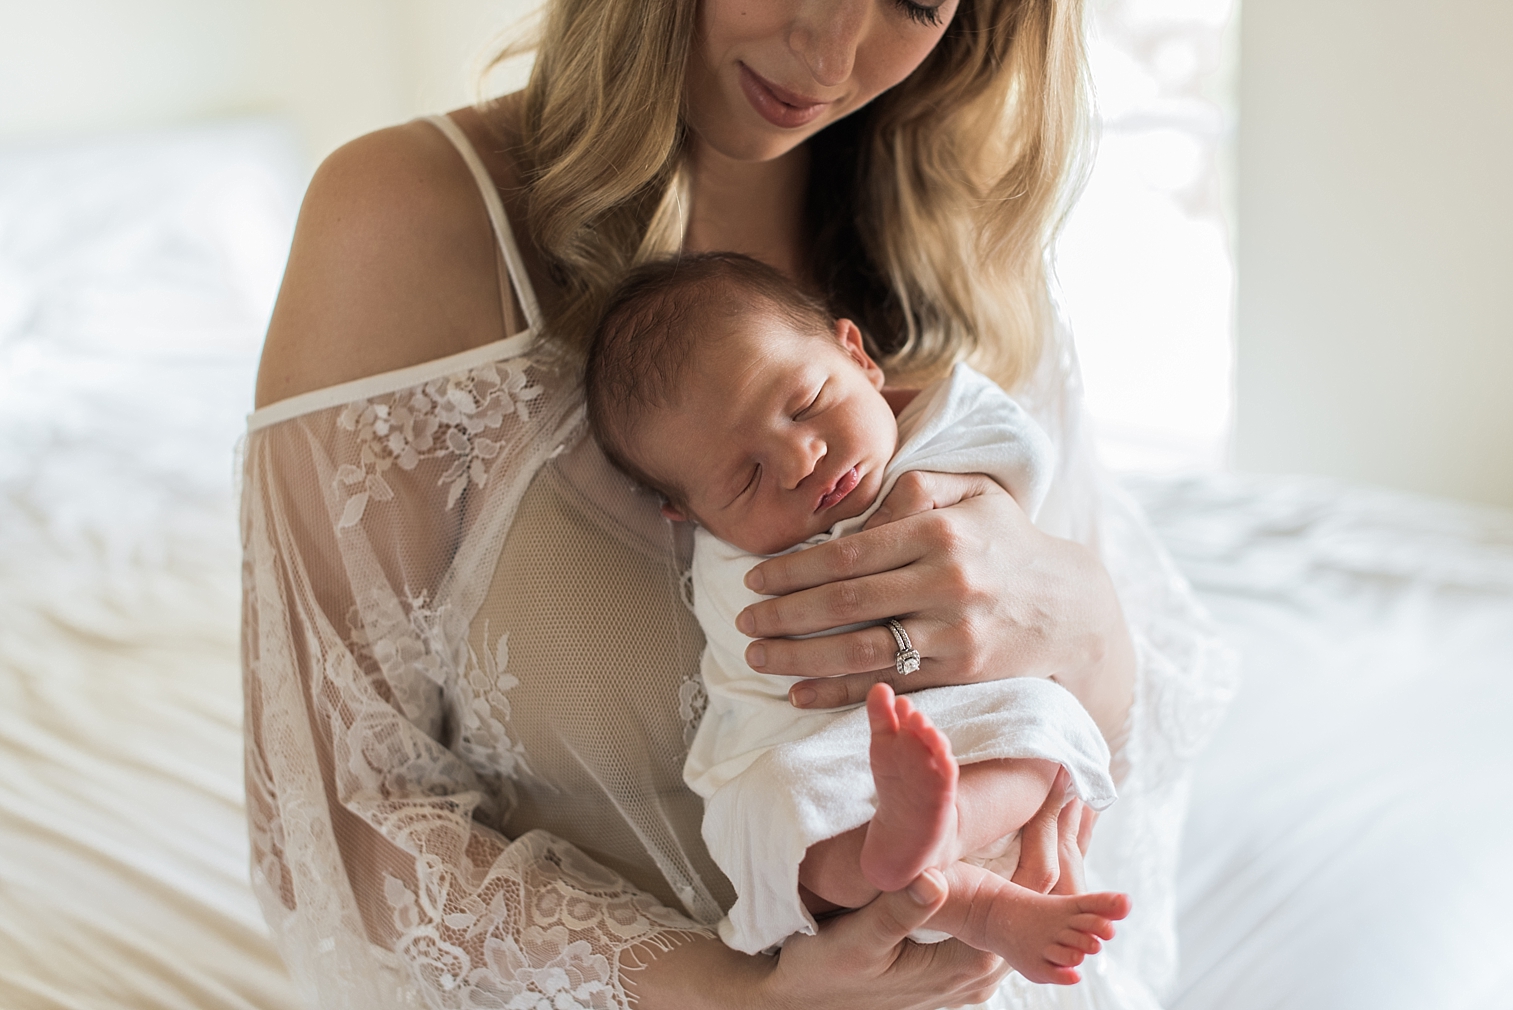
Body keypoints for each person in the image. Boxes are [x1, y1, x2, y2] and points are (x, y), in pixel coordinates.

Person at [243, 0, 1237, 1007]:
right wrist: (744, 995)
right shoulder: (413, 217)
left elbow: (1127, 731)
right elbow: (325, 823)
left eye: (916, 1)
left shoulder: (963, 244)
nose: (832, 54)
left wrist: (1072, 614)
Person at [583, 252, 1131, 982]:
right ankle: (958, 885)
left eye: (806, 404)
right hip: (814, 747)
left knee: (1038, 732)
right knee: (775, 819)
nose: (799, 457)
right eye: (743, 478)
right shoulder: (734, 568)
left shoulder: (942, 429)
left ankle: (948, 843)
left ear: (859, 357)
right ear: (689, 515)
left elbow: (1019, 451)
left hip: (970, 718)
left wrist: (943, 476)